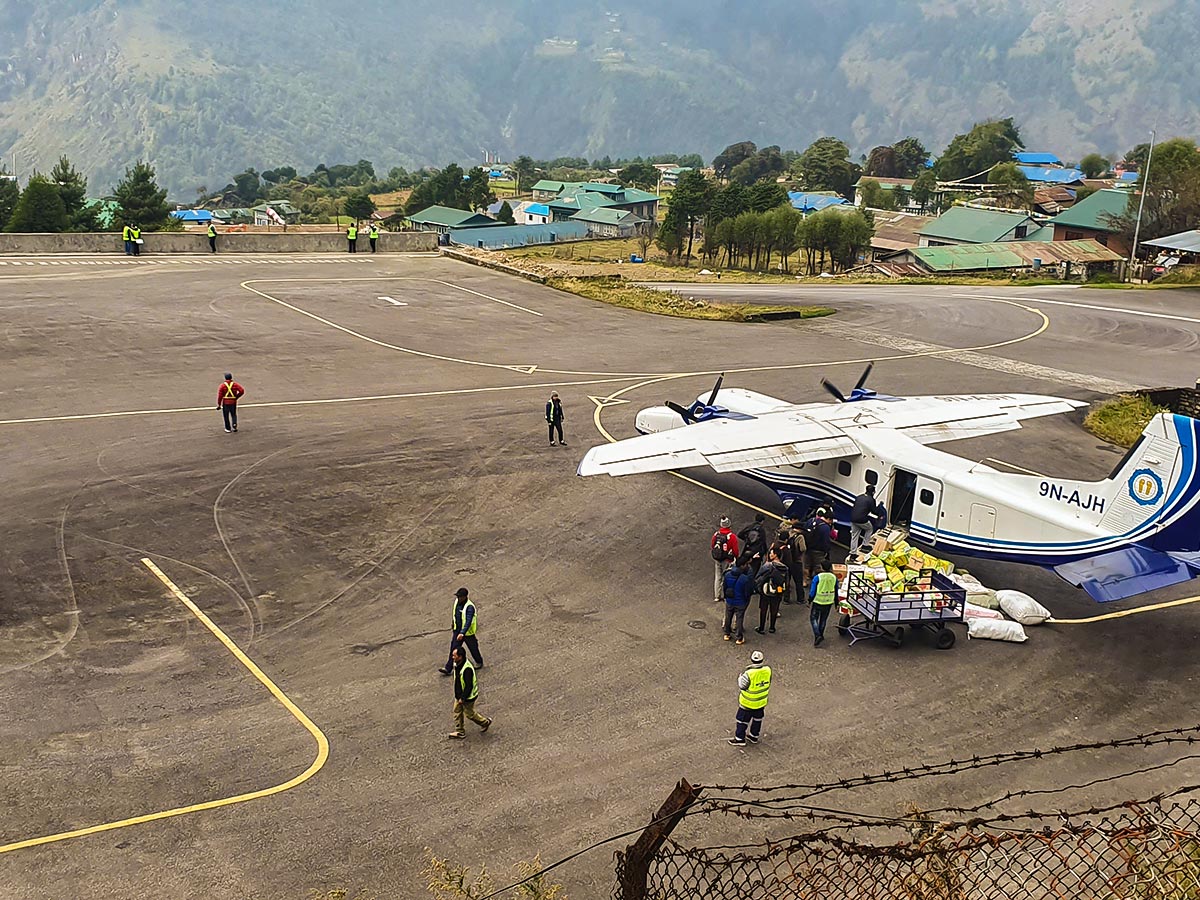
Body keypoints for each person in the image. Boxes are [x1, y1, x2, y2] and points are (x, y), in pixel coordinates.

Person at [447, 645, 491, 740]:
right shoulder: (457, 664)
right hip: (459, 695)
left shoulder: (467, 669)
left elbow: (469, 686)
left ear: (460, 656)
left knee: (469, 714)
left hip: (468, 697)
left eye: (454, 655)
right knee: (457, 711)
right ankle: (460, 731)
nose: (452, 657)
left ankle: (485, 722)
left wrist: (463, 698)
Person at [729, 650, 771, 746]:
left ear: (752, 660)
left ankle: (740, 739)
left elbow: (742, 686)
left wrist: (740, 677)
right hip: (761, 702)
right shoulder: (767, 670)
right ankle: (754, 736)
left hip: (747, 703)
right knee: (757, 719)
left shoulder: (748, 674)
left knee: (742, 720)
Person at [439, 587, 483, 675]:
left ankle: (479, 661)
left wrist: (462, 633)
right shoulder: (457, 602)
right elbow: (455, 614)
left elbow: (468, 622)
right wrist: (453, 622)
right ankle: (448, 668)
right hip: (457, 630)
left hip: (467, 633)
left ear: (465, 597)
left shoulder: (469, 607)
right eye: (458, 596)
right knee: (453, 649)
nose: (458, 598)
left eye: (460, 597)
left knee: (473, 649)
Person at [754, 549, 788, 634]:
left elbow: (759, 575)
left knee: (763, 609)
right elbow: (786, 581)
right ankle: (772, 627)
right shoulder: (785, 568)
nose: (770, 555)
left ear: (775, 555)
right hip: (778, 591)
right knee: (774, 609)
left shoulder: (768, 565)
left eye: (771, 553)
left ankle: (761, 627)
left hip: (766, 590)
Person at [722, 555, 754, 645]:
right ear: (742, 566)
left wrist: (726, 597)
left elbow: (724, 587)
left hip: (729, 600)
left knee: (728, 617)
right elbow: (747, 592)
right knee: (739, 619)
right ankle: (739, 637)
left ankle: (727, 633)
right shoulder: (744, 579)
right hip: (740, 602)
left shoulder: (727, 575)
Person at [809, 560, 839, 646]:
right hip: (829, 601)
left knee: (813, 618)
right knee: (823, 619)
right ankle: (821, 634)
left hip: (818, 601)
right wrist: (837, 603)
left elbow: (812, 591)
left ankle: (817, 635)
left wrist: (809, 600)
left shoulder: (818, 577)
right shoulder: (834, 577)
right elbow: (836, 591)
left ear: (821, 567)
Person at [710, 516, 739, 603]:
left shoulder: (716, 535)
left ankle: (717, 596)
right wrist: (736, 558)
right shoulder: (732, 537)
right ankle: (726, 596)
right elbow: (735, 550)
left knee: (718, 577)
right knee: (727, 577)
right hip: (727, 560)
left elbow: (712, 545)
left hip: (718, 559)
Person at [803, 509, 833, 592]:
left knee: (806, 566)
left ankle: (805, 581)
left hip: (808, 548)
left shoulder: (811, 520)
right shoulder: (825, 527)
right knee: (818, 568)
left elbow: (804, 530)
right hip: (819, 551)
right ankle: (818, 583)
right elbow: (826, 541)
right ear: (829, 519)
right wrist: (827, 551)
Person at [850, 485, 878, 555]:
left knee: (854, 536)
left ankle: (853, 553)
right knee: (869, 529)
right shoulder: (871, 500)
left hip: (853, 518)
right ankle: (865, 545)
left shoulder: (859, 497)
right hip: (862, 519)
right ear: (873, 492)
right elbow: (874, 511)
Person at [786, 519, 807, 603]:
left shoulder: (788, 533)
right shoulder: (800, 537)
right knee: (798, 581)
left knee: (787, 580)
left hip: (787, 561)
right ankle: (800, 599)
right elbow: (803, 548)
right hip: (796, 561)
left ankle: (786, 598)